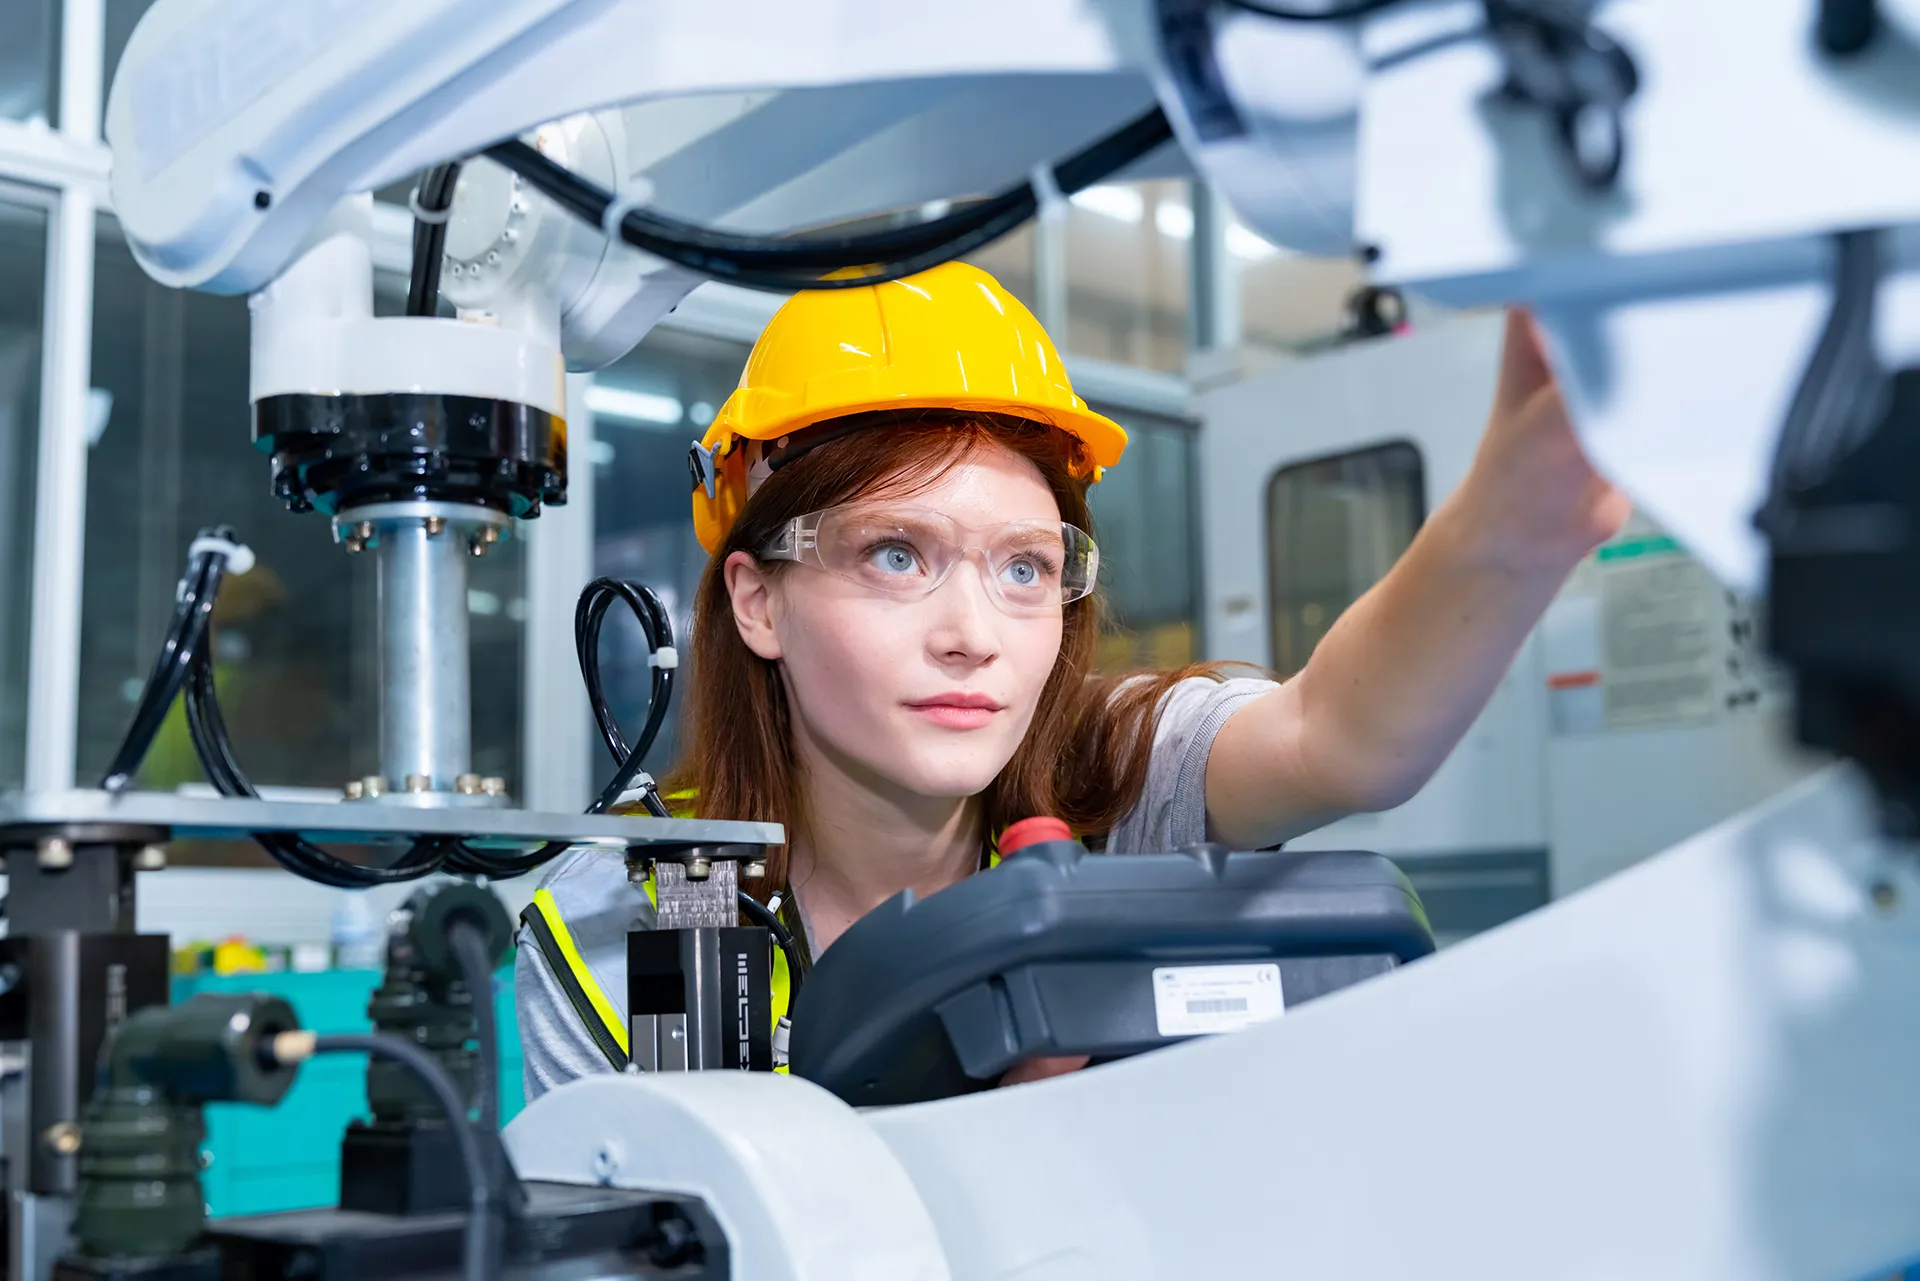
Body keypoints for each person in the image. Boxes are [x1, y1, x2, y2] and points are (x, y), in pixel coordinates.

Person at [516, 260, 1628, 1097]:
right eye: (896, 555)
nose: (974, 635)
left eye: (1025, 568)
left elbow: (1343, 738)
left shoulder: (1113, 775)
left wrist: (1513, 525)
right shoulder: (651, 907)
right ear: (759, 602)